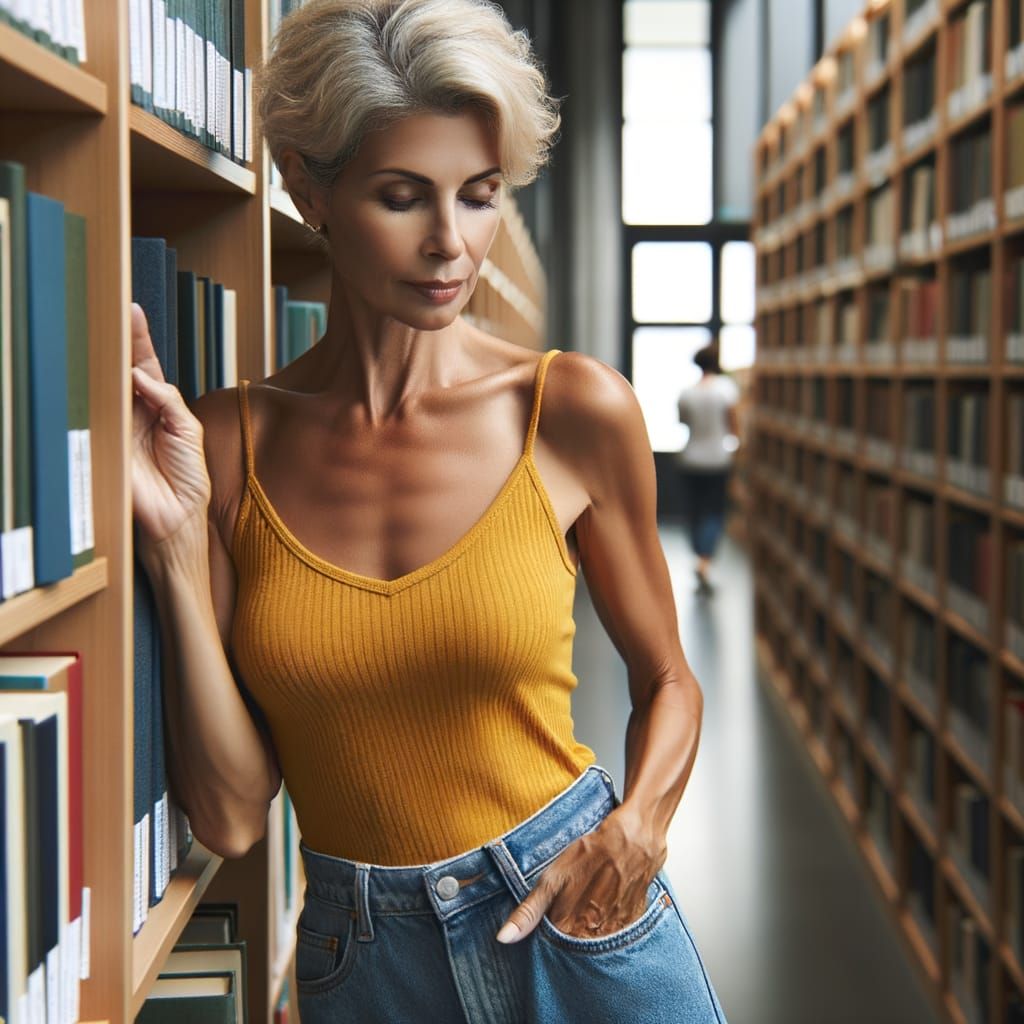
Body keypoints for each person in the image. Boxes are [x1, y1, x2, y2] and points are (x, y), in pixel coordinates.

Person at [130, 1, 728, 1021]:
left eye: (480, 195)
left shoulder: (571, 409)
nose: (454, 243)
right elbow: (232, 815)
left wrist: (638, 828)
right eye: (405, 197)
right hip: (363, 959)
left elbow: (668, 675)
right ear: (308, 190)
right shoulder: (228, 445)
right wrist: (181, 547)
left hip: (575, 916)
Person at [675, 343, 741, 596]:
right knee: (714, 509)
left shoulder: (687, 392)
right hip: (717, 459)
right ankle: (704, 560)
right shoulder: (726, 389)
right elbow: (733, 425)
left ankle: (698, 555)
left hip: (690, 457)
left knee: (693, 509)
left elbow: (682, 421)